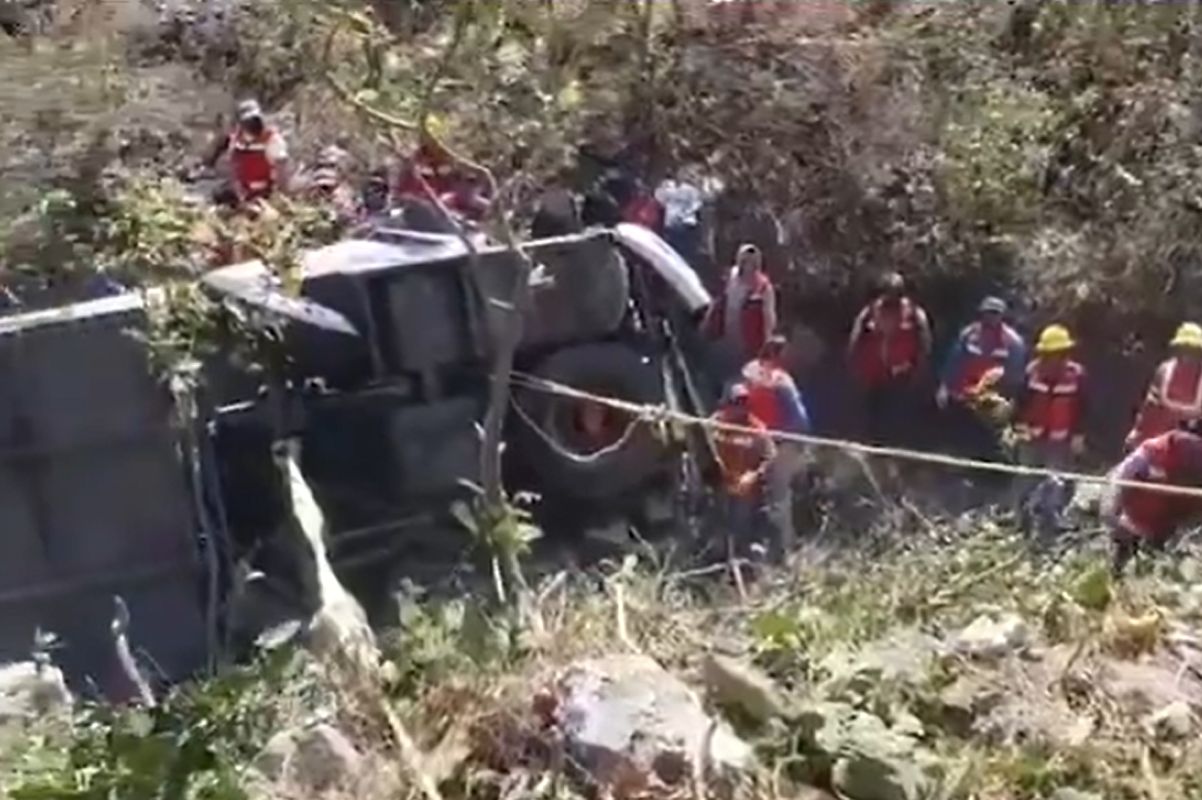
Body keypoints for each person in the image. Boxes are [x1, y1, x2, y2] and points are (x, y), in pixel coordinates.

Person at [1010, 324, 1088, 536]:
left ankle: (1050, 524)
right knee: (1025, 478)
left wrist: (1079, 435)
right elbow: (1019, 401)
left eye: (1058, 354)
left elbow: (1084, 406)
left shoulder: (1076, 375)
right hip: (1032, 437)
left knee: (1056, 483)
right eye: (1050, 354)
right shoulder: (1032, 372)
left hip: (1060, 440)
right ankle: (1021, 521)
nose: (1054, 359)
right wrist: (1017, 426)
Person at [741, 335, 811, 559]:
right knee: (780, 496)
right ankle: (785, 548)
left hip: (752, 442)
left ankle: (753, 541)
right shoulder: (781, 380)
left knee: (756, 493)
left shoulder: (747, 374)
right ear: (780, 355)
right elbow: (800, 418)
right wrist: (799, 442)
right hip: (780, 442)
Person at [1102, 420, 1202, 576]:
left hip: (1166, 518)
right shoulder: (1155, 451)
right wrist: (1113, 509)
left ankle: (1140, 579)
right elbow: (1122, 477)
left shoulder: (1187, 456)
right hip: (1139, 513)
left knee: (1149, 559)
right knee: (1123, 552)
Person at [847, 272, 933, 447]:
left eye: (895, 293)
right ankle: (874, 448)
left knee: (898, 418)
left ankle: (898, 452)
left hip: (902, 374)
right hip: (873, 375)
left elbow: (925, 344)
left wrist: (920, 370)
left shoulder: (915, 315)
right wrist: (855, 367)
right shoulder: (870, 313)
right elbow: (855, 341)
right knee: (873, 418)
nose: (891, 297)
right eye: (888, 292)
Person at [937, 296, 1026, 463]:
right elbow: (954, 361)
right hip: (965, 397)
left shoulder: (1013, 342)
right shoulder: (969, 334)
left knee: (991, 442)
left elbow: (1015, 376)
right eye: (987, 313)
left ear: (1002, 316)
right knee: (963, 436)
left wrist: (1004, 401)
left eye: (995, 314)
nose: (990, 317)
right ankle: (964, 470)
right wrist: (944, 387)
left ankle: (989, 478)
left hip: (991, 403)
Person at [711, 383, 777, 554]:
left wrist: (753, 475)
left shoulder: (756, 427)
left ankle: (741, 563)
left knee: (740, 529)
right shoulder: (715, 422)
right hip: (718, 484)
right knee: (717, 528)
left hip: (744, 488)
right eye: (735, 403)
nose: (740, 408)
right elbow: (703, 447)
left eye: (744, 403)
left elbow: (770, 456)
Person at [703, 243, 778, 389]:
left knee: (743, 374)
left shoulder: (763, 288)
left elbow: (769, 317)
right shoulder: (732, 277)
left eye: (752, 261)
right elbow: (721, 299)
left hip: (749, 341)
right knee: (724, 366)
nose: (748, 265)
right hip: (727, 333)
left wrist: (767, 342)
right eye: (745, 260)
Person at [1126, 322, 1202, 450]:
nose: (1187, 356)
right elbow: (1149, 405)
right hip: (1155, 437)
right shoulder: (1165, 370)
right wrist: (1136, 430)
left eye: (1192, 350)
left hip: (1189, 443)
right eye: (1183, 349)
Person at [203, 99, 290, 205]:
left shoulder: (271, 139)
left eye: (254, 119)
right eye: (248, 121)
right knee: (217, 195)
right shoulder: (236, 138)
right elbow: (232, 163)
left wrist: (280, 194)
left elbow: (282, 168)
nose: (252, 124)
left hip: (266, 191)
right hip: (242, 189)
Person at [655, 172, 704, 265]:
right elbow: (659, 198)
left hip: (682, 224)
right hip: (676, 224)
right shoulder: (669, 189)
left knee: (680, 249)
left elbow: (696, 205)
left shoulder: (689, 190)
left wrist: (683, 214)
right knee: (676, 249)